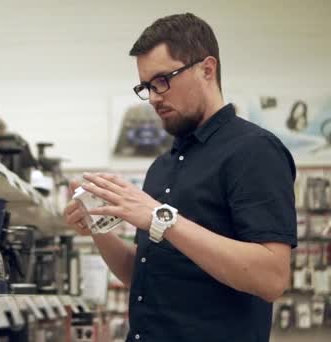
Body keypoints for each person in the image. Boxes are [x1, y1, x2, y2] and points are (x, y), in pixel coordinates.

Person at [64, 13, 296, 342]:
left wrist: (161, 219)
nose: (154, 96)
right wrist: (97, 226)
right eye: (146, 86)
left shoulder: (254, 151)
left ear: (207, 69)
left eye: (162, 79)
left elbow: (271, 278)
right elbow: (142, 274)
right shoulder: (162, 166)